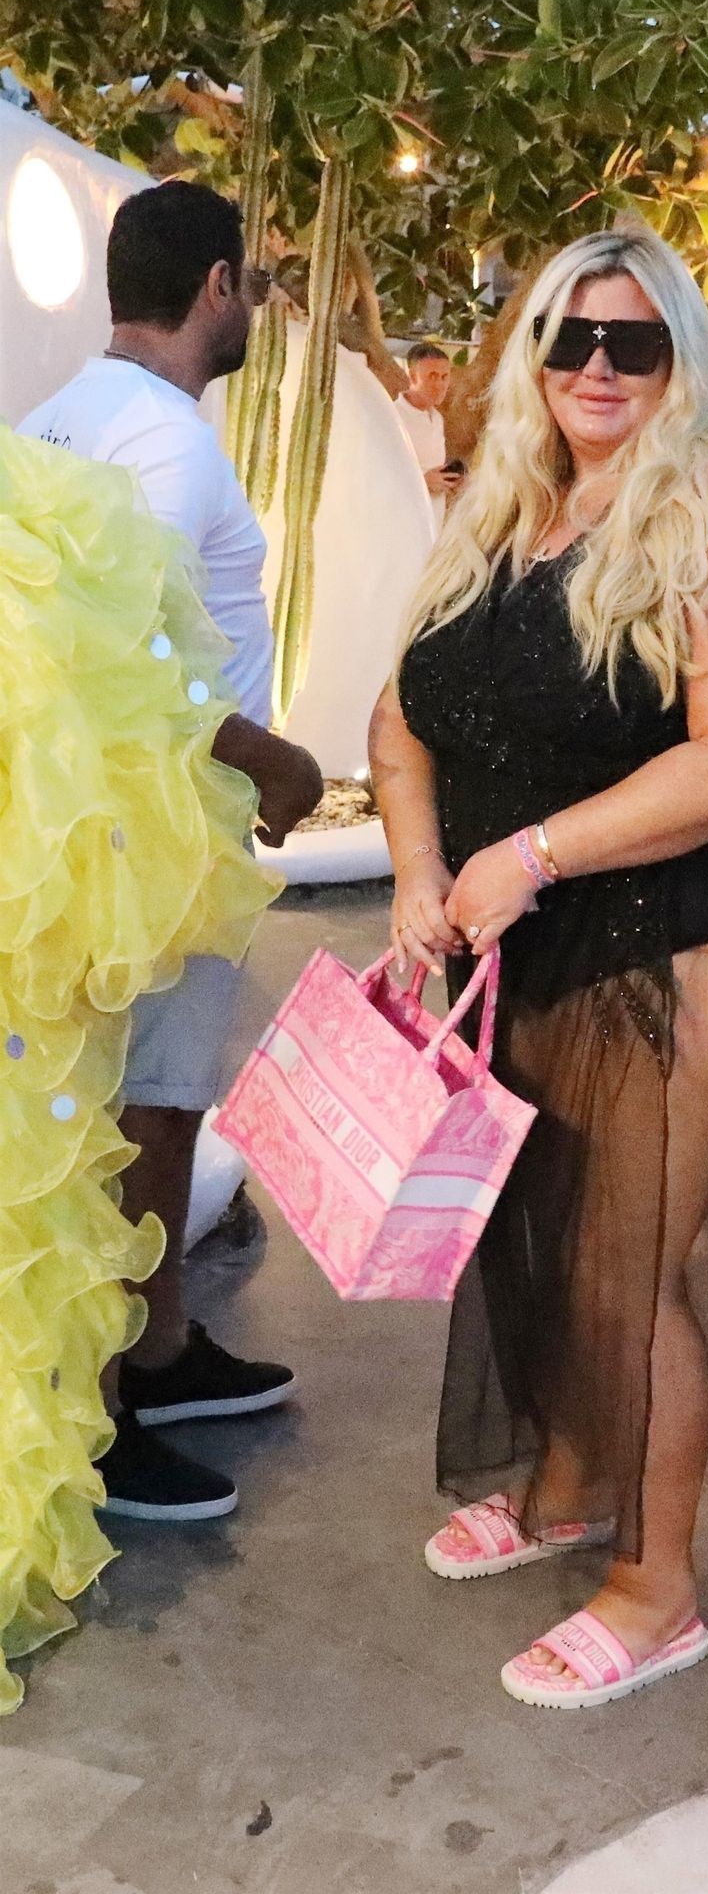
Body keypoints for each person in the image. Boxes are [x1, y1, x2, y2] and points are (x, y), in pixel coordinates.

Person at [370, 226, 708, 1710]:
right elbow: (403, 721)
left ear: (680, 356)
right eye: (568, 338)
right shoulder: (506, 505)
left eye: (633, 342)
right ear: (531, 354)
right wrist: (419, 870)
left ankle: (656, 1589)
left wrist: (533, 853)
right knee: (539, 1234)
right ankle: (570, 1485)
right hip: (526, 937)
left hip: (678, 930)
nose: (596, 368)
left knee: (622, 1266)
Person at [20, 182, 323, 1522]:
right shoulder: (167, 446)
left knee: (152, 1102)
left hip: (102, 838)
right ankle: (108, 1412)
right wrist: (276, 762)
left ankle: (160, 1350)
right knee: (138, 1113)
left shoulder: (62, 417)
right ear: (216, 285)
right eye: (249, 284)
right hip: (156, 842)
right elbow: (127, 656)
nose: (251, 305)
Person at [0, 423, 280, 1711]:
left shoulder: (50, 492)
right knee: (44, 1207)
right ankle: (96, 1433)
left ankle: (103, 1414)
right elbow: (141, 694)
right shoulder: (68, 501)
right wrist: (275, 768)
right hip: (32, 956)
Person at [397, 343, 461, 521]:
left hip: (433, 523)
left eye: (444, 377)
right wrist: (422, 482)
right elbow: (378, 475)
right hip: (404, 523)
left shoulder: (437, 419)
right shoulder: (394, 418)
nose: (439, 384)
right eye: (432, 376)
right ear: (412, 376)